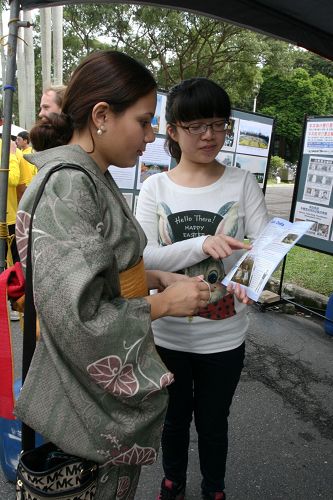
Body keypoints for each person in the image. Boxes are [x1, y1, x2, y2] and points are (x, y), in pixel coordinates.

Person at [14, 51, 211, 500]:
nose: (153, 133)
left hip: (88, 397)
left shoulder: (92, 175)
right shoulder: (70, 183)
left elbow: (105, 269)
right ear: (101, 115)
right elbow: (79, 315)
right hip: (84, 405)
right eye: (143, 121)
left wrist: (157, 277)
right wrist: (162, 305)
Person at [136, 77, 269, 500]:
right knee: (174, 419)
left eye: (218, 123)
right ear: (172, 130)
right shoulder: (156, 186)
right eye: (196, 126)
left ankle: (215, 488)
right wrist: (199, 244)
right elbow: (144, 257)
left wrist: (250, 281)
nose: (209, 135)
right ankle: (172, 480)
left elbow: (263, 248)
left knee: (214, 421)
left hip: (224, 336)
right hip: (168, 333)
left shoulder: (242, 182)